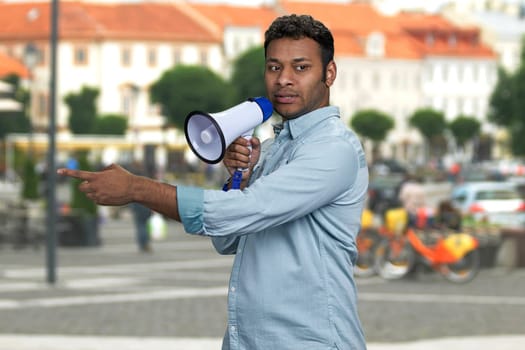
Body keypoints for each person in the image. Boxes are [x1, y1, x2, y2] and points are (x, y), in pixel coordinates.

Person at [57, 14, 368, 350]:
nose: (284, 80)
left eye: (301, 67)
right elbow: (227, 239)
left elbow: (246, 211)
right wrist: (239, 180)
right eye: (274, 67)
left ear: (329, 73)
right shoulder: (276, 148)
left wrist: (137, 189)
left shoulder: (334, 149)